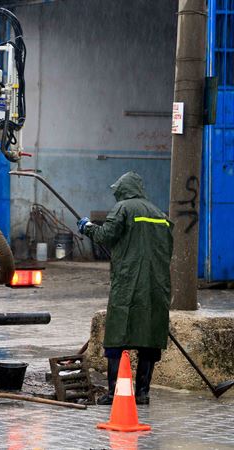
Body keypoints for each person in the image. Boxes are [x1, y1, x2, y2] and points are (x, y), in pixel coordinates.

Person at [77, 171, 173, 406]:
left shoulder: (123, 208)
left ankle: (114, 393)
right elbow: (167, 248)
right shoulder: (159, 214)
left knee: (117, 338)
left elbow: (105, 235)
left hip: (129, 283)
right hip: (157, 285)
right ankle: (142, 393)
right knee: (149, 339)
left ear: (123, 190)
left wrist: (87, 227)